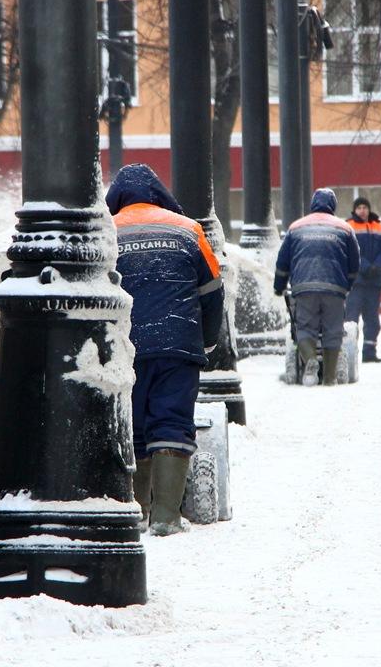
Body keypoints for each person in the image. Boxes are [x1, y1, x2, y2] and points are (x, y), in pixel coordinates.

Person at [106, 163, 224, 536]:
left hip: (129, 347)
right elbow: (212, 289)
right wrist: (206, 339)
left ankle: (137, 511)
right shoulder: (189, 230)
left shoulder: (107, 234)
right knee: (172, 419)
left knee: (136, 423)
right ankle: (167, 518)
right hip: (179, 343)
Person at [274, 188, 360, 386]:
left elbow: (283, 262)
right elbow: (355, 264)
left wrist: (279, 286)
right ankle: (329, 378)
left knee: (304, 328)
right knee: (333, 331)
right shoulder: (345, 229)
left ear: (313, 205)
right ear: (333, 206)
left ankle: (310, 359)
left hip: (304, 287)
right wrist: (348, 285)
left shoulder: (296, 228)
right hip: (335, 288)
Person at [345, 197, 381, 363]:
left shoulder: (379, 227)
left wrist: (377, 267)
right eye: (359, 208)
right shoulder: (348, 226)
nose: (362, 210)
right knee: (351, 319)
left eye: (365, 207)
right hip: (356, 282)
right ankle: (349, 353)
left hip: (374, 282)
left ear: (369, 209)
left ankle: (369, 353)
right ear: (354, 210)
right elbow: (350, 251)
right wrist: (364, 266)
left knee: (372, 319)